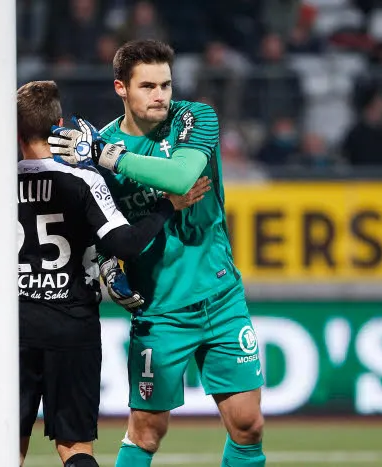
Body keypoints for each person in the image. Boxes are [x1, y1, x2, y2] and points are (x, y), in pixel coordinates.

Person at [48, 40, 266, 467]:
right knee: (147, 431)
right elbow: (95, 230)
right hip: (160, 310)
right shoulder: (98, 150)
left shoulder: (194, 117)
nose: (161, 95)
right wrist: (109, 266)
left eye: (165, 84)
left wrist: (106, 156)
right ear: (121, 88)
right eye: (147, 85)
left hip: (221, 299)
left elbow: (182, 176)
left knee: (248, 424)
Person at [15, 80, 209, 467]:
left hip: (15, 326)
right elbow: (126, 245)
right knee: (74, 447)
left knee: (7, 444)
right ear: (58, 124)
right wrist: (167, 206)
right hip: (72, 322)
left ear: (14, 130)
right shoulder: (84, 179)